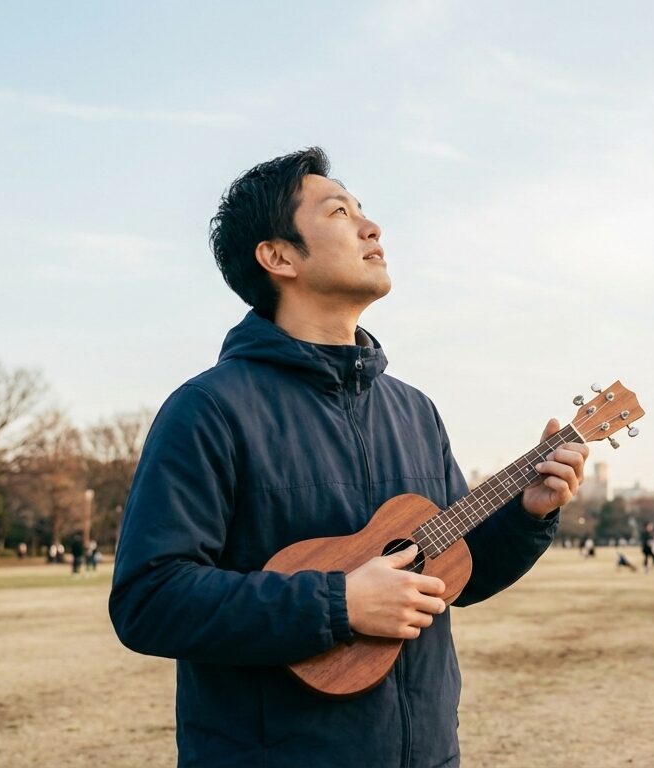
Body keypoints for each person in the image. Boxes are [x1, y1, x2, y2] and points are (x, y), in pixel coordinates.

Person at [108, 148, 588, 767]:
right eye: (340, 212)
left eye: (364, 210)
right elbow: (150, 600)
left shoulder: (415, 410)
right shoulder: (208, 410)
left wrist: (527, 516)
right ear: (278, 257)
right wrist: (338, 604)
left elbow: (452, 579)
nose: (372, 227)